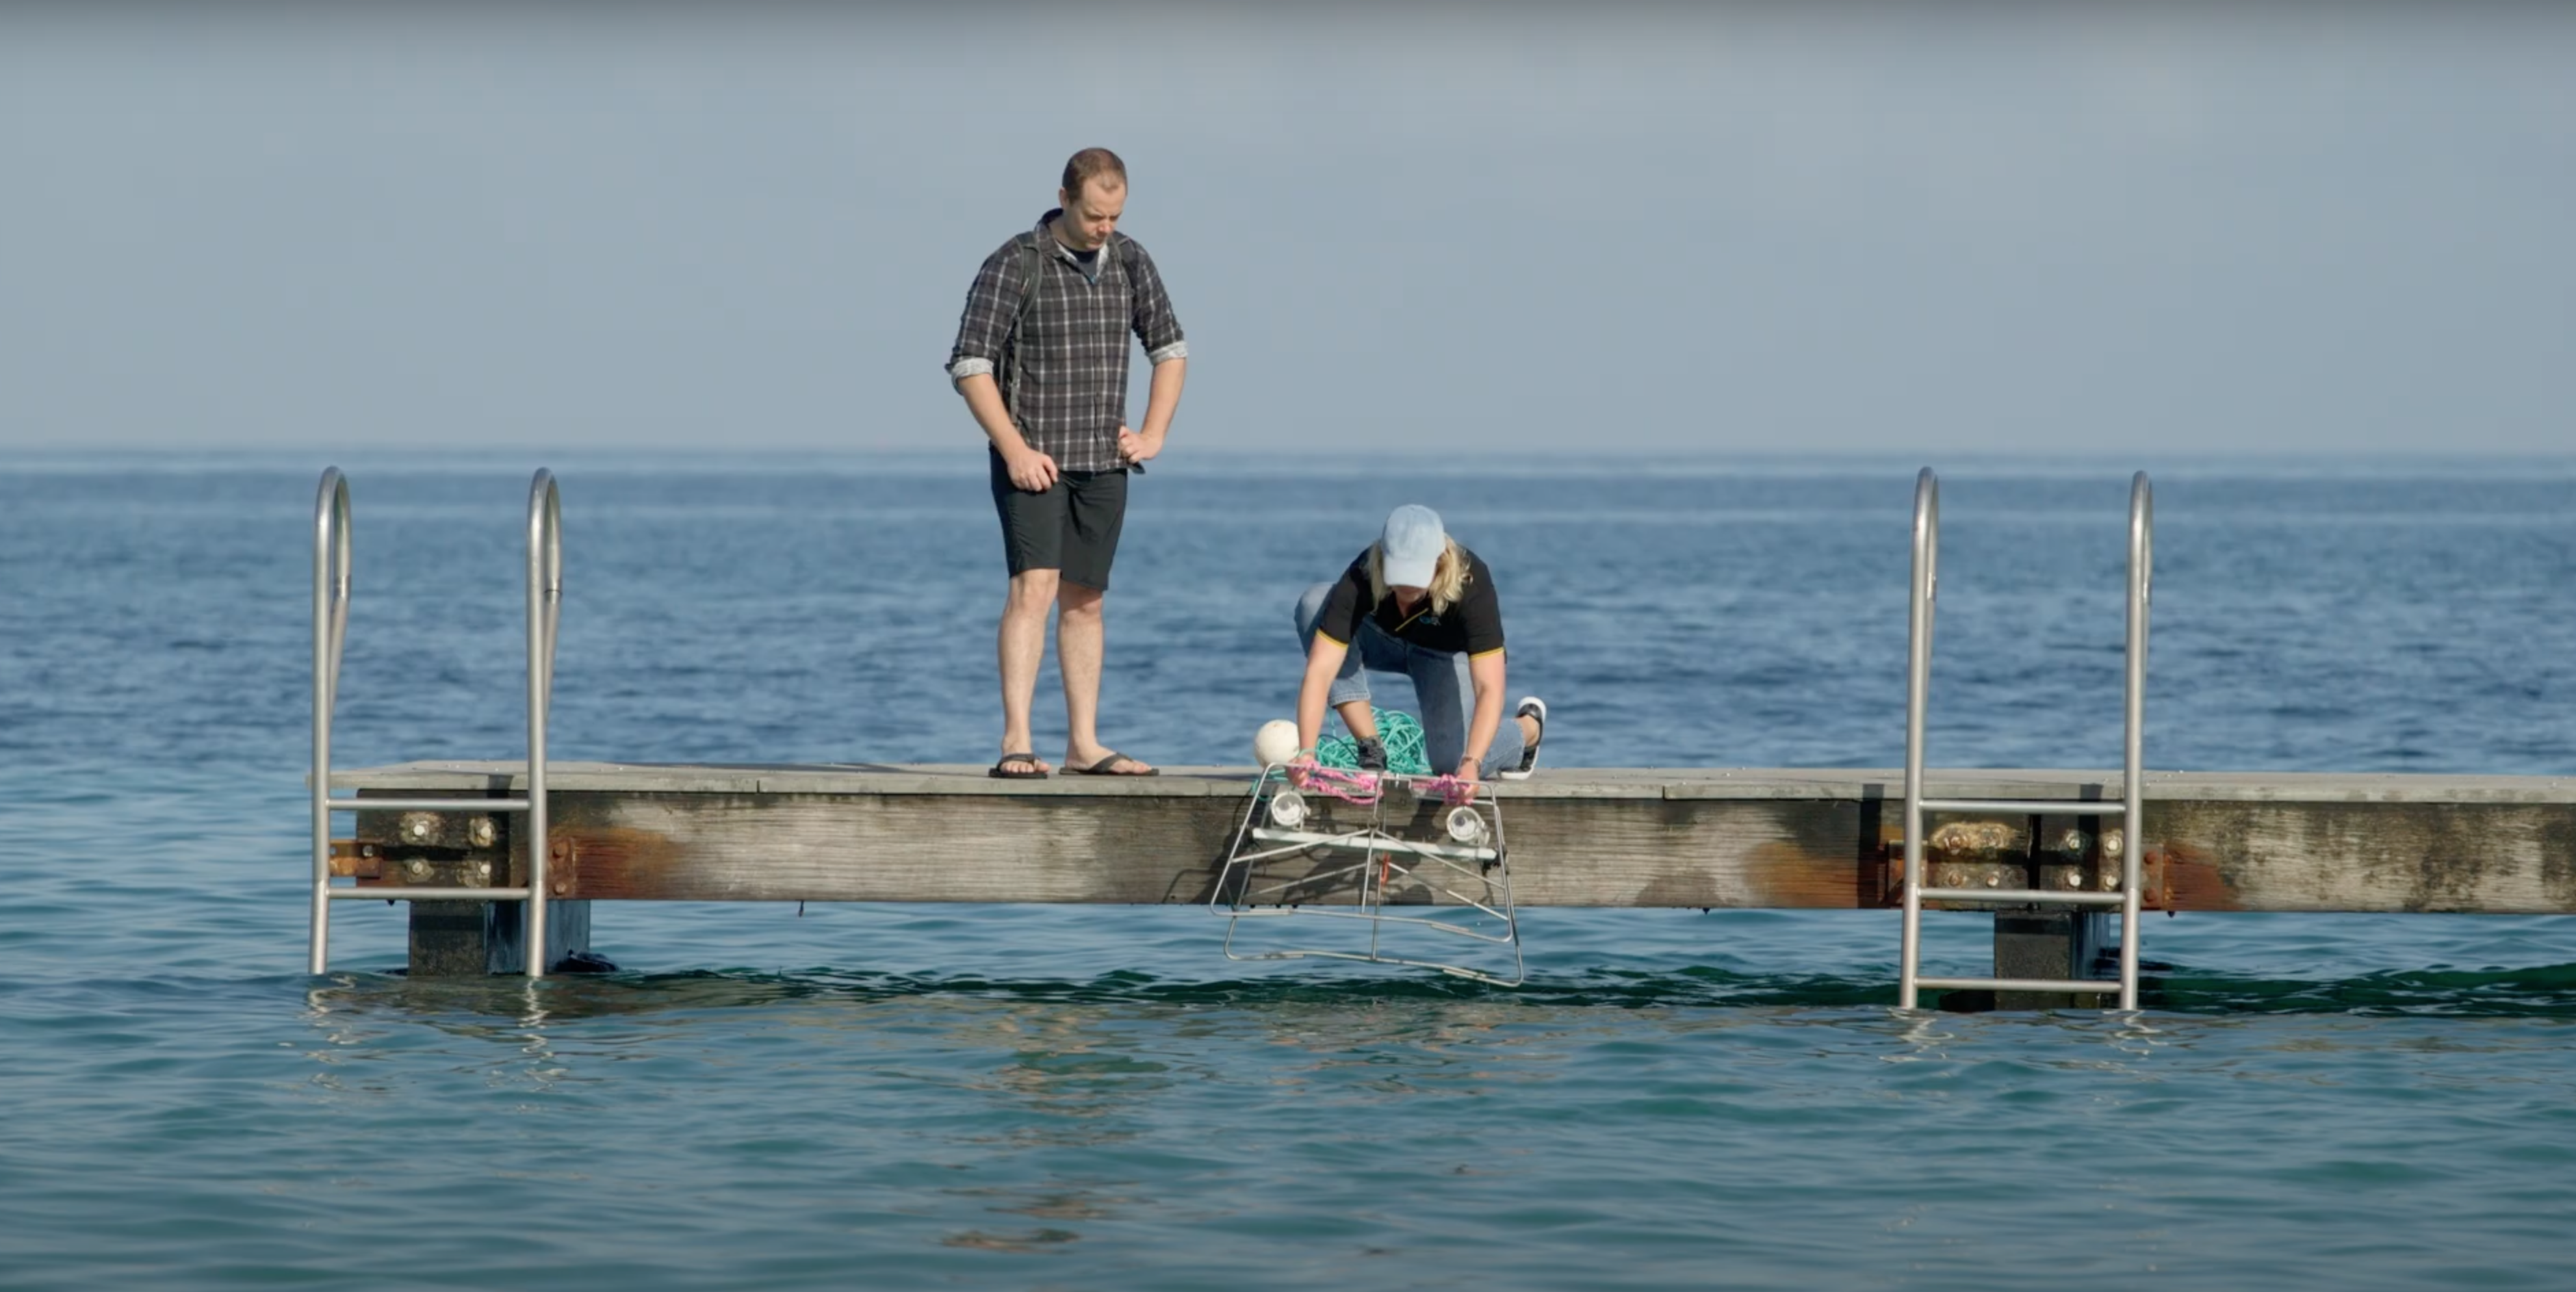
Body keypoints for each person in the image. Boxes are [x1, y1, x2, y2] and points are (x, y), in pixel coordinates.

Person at [946, 148, 1187, 779]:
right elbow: (969, 365)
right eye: (1094, 215)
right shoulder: (1016, 262)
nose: (1105, 227)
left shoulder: (1131, 260)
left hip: (1104, 462)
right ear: (1065, 196)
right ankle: (1016, 742)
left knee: (1087, 601)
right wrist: (1014, 449)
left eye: (1114, 215)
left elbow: (1171, 347)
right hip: (1034, 460)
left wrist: (1154, 432)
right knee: (1034, 590)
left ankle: (1084, 745)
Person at [1291, 505, 1546, 784]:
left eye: (1416, 581)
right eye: (1399, 580)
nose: (1406, 593)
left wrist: (1471, 763)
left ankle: (1528, 729)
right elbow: (1320, 671)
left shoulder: (1473, 581)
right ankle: (1371, 749)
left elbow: (1489, 687)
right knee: (1314, 603)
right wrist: (1306, 751)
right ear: (1382, 557)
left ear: (1441, 560)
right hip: (1382, 641)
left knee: (1451, 764)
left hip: (1444, 655)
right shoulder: (1363, 571)